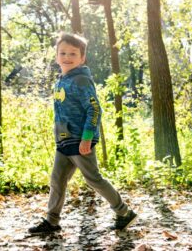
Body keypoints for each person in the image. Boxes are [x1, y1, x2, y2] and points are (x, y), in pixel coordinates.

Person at [28, 33, 137, 235]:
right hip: (64, 140)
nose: (67, 57)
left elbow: (94, 109)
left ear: (82, 58)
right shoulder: (61, 80)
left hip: (80, 140)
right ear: (56, 56)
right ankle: (52, 221)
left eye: (72, 53)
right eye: (63, 53)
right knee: (57, 179)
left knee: (93, 179)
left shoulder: (81, 80)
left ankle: (124, 212)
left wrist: (87, 137)